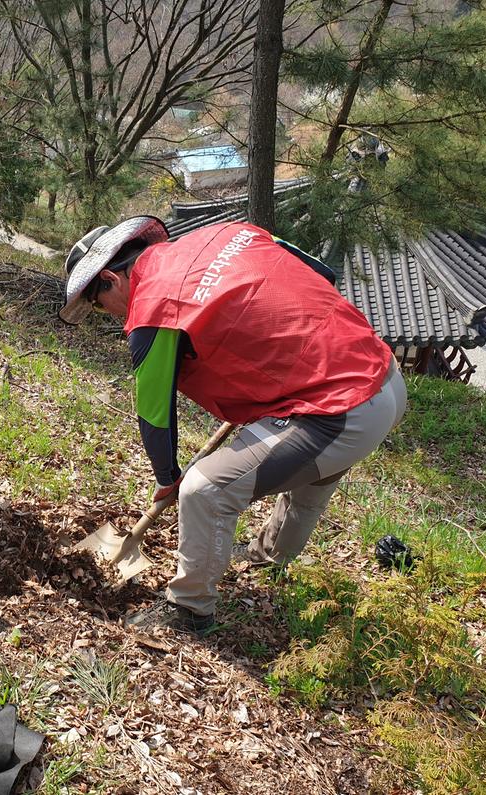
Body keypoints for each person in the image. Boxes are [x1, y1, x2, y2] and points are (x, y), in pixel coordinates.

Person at [60, 217, 407, 635]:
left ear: (112, 279)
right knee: (311, 480)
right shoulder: (229, 233)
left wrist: (168, 479)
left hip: (338, 409)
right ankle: (270, 557)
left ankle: (189, 611)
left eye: (98, 305)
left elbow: (154, 414)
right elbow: (320, 272)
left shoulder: (152, 309)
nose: (109, 315)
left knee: (204, 490)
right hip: (383, 374)